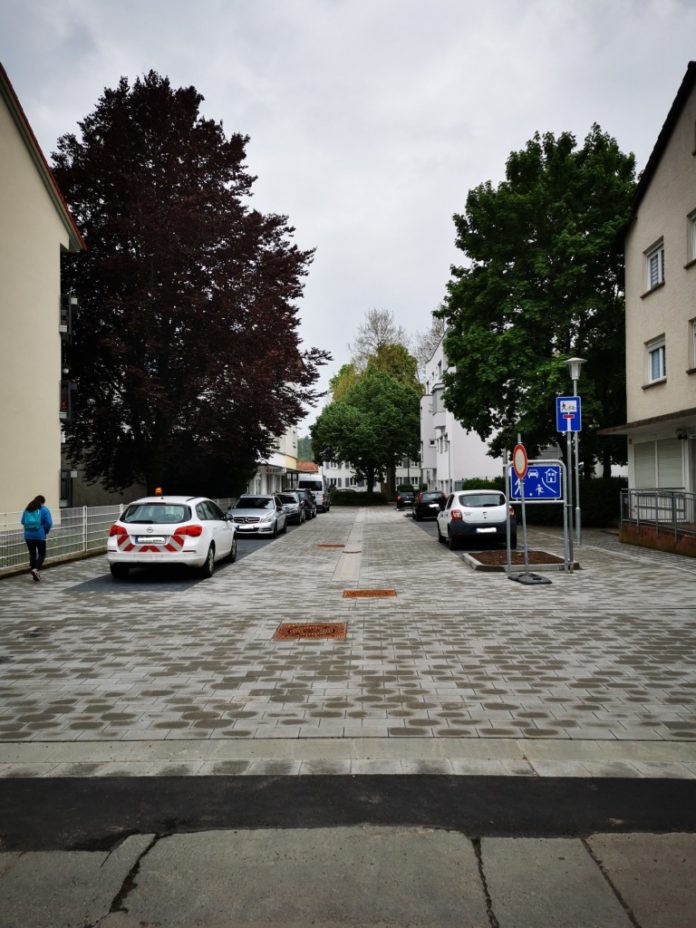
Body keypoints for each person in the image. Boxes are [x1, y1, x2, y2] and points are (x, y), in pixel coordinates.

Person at [21, 495, 53, 581]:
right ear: (43, 502)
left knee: (32, 554)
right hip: (39, 535)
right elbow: (49, 523)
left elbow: (23, 521)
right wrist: (45, 531)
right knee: (42, 553)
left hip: (28, 535)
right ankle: (36, 569)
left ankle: (34, 572)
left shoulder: (28, 508)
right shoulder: (44, 510)